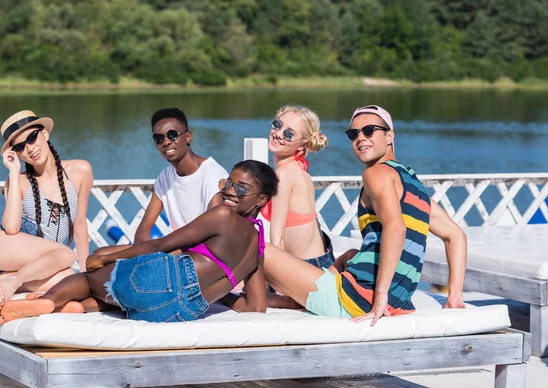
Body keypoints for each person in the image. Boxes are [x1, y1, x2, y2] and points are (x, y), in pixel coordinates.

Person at [0, 160, 278, 325]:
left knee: (92, 277)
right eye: (227, 183)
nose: (229, 191)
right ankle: (81, 306)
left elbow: (161, 245)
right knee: (128, 294)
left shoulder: (223, 216)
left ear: (261, 200)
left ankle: (47, 300)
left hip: (170, 280)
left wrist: (104, 259)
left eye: (240, 188)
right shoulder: (258, 247)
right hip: (183, 312)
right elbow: (256, 306)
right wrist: (214, 294)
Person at [264, 105, 467, 324]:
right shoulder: (410, 183)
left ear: (389, 135)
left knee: (257, 247)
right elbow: (456, 236)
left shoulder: (375, 174)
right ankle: (302, 292)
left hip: (355, 300)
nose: (361, 138)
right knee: (351, 254)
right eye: (354, 134)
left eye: (369, 130)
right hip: (398, 302)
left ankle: (245, 295)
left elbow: (396, 228)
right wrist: (454, 295)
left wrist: (380, 297)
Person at [0, 110, 93, 302]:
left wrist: (86, 276)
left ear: (44, 134)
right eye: (19, 147)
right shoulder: (19, 180)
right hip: (3, 246)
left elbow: (80, 226)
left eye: (32, 137)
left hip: (43, 261)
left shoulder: (80, 171)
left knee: (68, 276)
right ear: (15, 153)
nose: (29, 149)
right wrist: (14, 172)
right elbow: (11, 228)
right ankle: (15, 279)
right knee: (66, 254)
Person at [134, 107, 228, 244]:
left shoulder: (213, 174)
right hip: (176, 250)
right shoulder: (164, 177)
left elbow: (212, 233)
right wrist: (140, 251)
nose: (166, 142)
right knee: (101, 255)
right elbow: (145, 226)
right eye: (158, 138)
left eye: (172, 135)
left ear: (188, 137)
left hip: (204, 255)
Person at [261, 105, 333, 268]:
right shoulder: (300, 169)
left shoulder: (285, 175)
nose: (278, 134)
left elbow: (277, 240)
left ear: (302, 145)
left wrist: (279, 286)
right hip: (320, 261)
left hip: (306, 268)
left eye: (288, 134)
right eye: (277, 125)